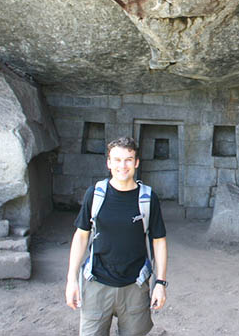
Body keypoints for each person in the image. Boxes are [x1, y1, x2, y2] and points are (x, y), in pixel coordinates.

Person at [65, 136, 168, 336]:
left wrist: (160, 283)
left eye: (128, 159)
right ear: (109, 163)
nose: (123, 165)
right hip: (97, 283)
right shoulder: (95, 194)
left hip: (135, 285)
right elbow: (81, 236)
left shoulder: (147, 198)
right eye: (117, 160)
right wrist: (71, 280)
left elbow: (159, 242)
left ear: (136, 163)